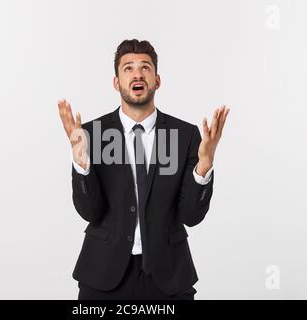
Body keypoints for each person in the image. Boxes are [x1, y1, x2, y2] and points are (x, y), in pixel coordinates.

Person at [57, 39, 229, 300]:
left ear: (157, 80)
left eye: (145, 68)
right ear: (116, 82)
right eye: (128, 68)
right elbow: (89, 211)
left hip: (168, 277)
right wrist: (82, 162)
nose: (137, 74)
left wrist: (204, 164)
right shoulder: (92, 134)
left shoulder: (184, 135)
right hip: (103, 276)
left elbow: (191, 216)